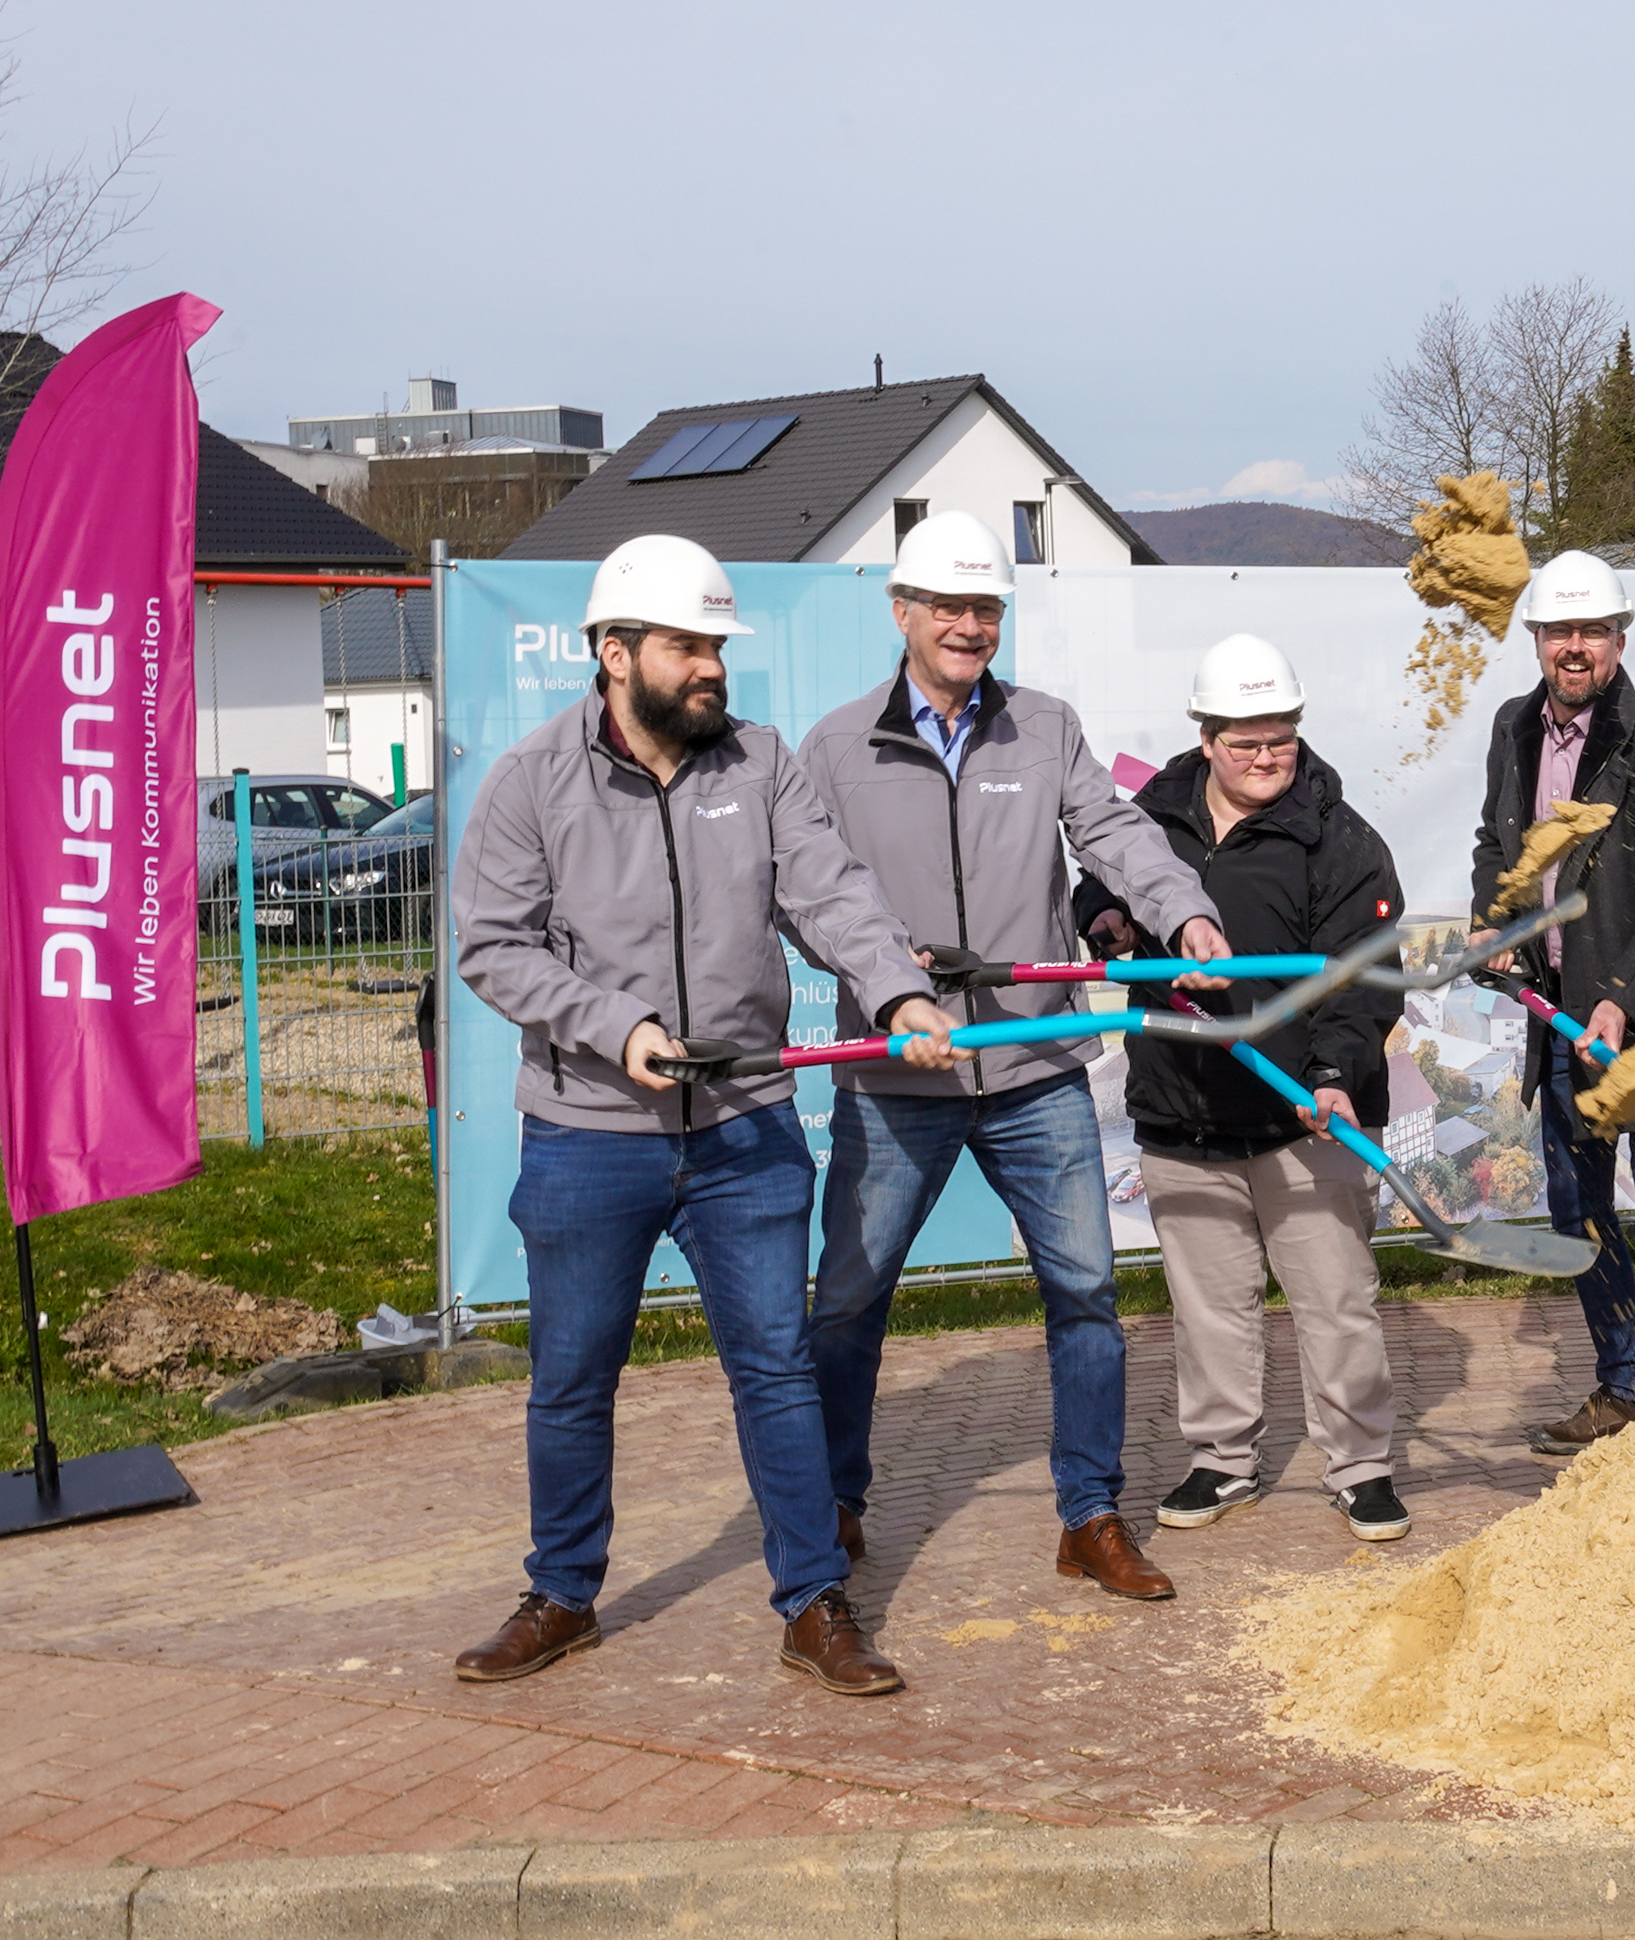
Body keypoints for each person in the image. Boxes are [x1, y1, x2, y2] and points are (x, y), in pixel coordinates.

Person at [449, 532, 965, 1695]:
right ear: (613, 649)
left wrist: (898, 986)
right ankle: (563, 1592)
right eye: (687, 646)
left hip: (744, 1126)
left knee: (778, 1367)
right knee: (573, 1377)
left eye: (717, 647)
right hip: (589, 1129)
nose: (711, 669)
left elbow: (830, 892)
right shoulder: (534, 778)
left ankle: (813, 1601)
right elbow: (490, 944)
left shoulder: (762, 766)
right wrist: (608, 1023)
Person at [800, 509, 1232, 1602]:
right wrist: (886, 979)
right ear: (901, 612)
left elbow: (1119, 834)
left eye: (984, 606)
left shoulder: (1044, 728)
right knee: (850, 1300)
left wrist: (1184, 914)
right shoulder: (837, 747)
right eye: (946, 605)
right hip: (900, 1075)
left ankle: (1090, 1513)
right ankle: (834, 1503)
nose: (967, 625)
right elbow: (804, 889)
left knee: (1085, 1287)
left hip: (1033, 1065)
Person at [1070, 635, 1411, 1541]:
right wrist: (1099, 915)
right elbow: (1096, 881)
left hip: (1302, 1113)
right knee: (1208, 1309)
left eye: (1281, 741)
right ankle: (1222, 1461)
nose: (1265, 760)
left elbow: (1366, 978)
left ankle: (1361, 1465)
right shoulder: (1154, 811)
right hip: (1182, 1105)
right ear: (1207, 735)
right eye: (1245, 743)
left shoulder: (1339, 839)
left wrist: (1335, 1076)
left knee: (1335, 1302)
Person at [1469, 550, 1635, 1454]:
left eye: (1591, 632)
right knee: (1582, 1220)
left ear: (1620, 637)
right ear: (1537, 638)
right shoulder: (1514, 730)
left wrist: (1620, 1001)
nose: (1574, 649)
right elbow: (1497, 846)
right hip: (1558, 1025)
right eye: (1558, 632)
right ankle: (1621, 1387)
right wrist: (1491, 920)